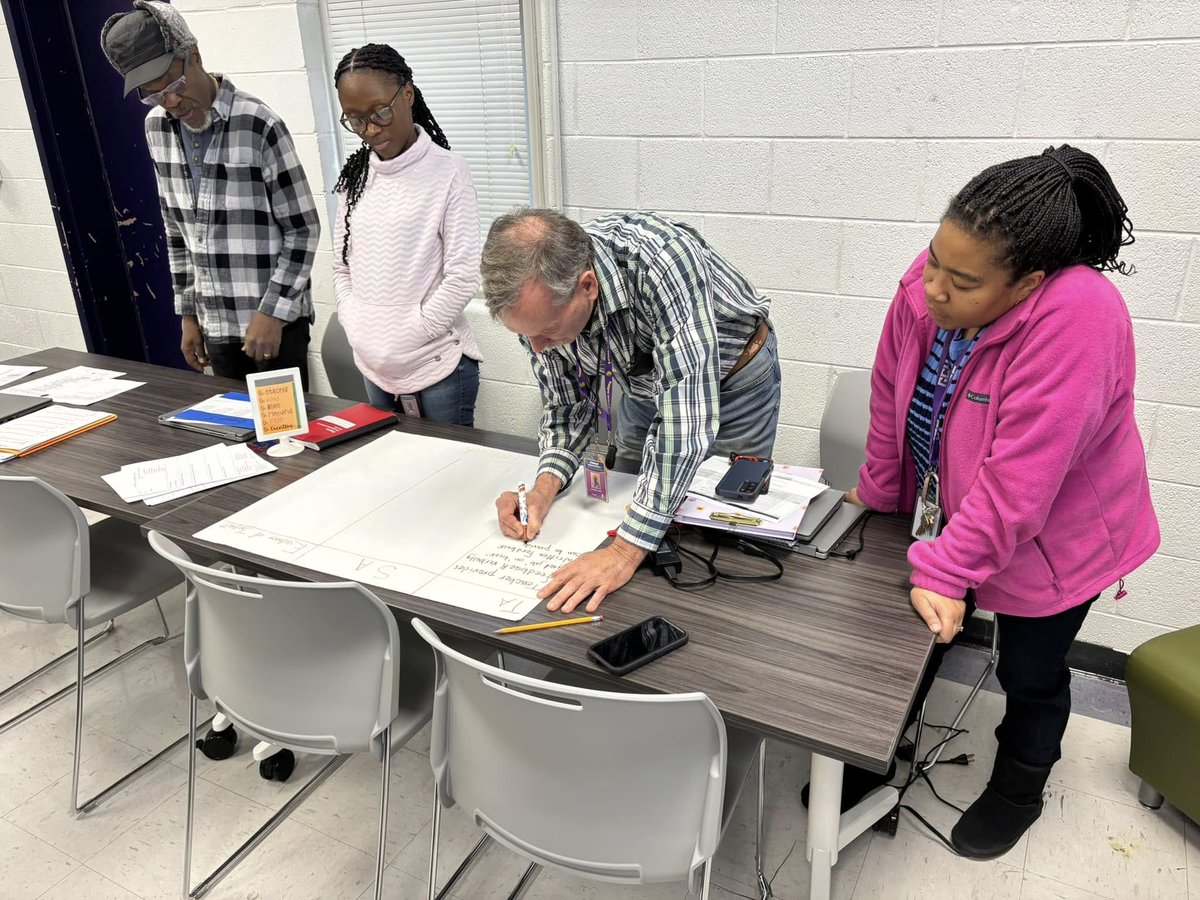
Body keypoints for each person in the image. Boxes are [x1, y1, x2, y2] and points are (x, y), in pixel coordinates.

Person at [847, 145, 1159, 859]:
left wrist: (945, 570)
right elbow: (890, 396)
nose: (932, 289)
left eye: (961, 281)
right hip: (953, 509)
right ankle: (878, 755)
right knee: (908, 637)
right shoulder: (925, 289)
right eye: (933, 260)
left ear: (1028, 283)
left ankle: (1020, 786)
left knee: (1030, 670)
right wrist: (880, 495)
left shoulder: (1081, 317)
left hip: (1058, 537)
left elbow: (1022, 482)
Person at [481, 209, 782, 614]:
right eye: (525, 336)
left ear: (587, 286)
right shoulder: (544, 306)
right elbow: (568, 407)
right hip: (641, 382)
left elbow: (684, 421)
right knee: (641, 518)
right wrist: (543, 489)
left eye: (546, 332)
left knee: (719, 533)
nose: (536, 348)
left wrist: (623, 552)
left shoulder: (662, 261)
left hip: (735, 377)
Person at [101, 1, 320, 388]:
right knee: (237, 436)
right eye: (154, 95)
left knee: (288, 441)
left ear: (194, 56)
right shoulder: (157, 129)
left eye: (174, 85)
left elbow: (303, 229)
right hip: (216, 325)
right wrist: (188, 314)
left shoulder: (257, 123)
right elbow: (176, 231)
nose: (170, 102)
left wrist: (272, 313)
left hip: (274, 326)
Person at [331, 44, 482, 425]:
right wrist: (356, 321)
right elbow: (341, 267)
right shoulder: (356, 177)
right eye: (355, 119)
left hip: (437, 366)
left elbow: (463, 276)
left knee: (449, 472)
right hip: (374, 369)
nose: (370, 129)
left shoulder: (448, 172)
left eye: (380, 112)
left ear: (408, 95)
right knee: (392, 467)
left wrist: (413, 329)